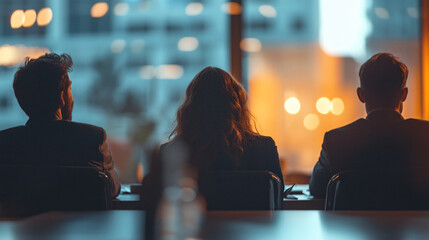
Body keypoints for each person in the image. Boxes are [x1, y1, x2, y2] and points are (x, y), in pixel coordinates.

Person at [142, 66, 284, 207]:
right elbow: (278, 196)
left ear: (190, 109)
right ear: (237, 107)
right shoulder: (264, 149)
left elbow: (159, 201)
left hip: (194, 228)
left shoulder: (172, 153)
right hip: (254, 229)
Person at [309, 52, 429, 198]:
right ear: (404, 94)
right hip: (417, 221)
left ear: (361, 95)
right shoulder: (425, 135)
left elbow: (317, 189)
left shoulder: (336, 141)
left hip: (352, 222)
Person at [0, 53, 120, 198]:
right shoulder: (91, 139)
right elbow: (112, 188)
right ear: (62, 97)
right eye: (69, 89)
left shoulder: (6, 143)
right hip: (80, 221)